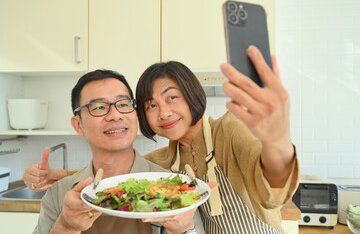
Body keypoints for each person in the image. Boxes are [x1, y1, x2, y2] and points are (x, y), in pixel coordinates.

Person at [25, 46, 299, 233]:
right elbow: (117, 179)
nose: (164, 112)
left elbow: (272, 187)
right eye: (150, 105)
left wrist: (278, 143)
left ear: (192, 95)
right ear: (78, 124)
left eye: (171, 97)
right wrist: (61, 179)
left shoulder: (230, 128)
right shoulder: (165, 164)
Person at [29, 69, 204, 234]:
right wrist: (66, 226)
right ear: (78, 125)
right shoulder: (60, 193)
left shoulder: (172, 186)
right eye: (98, 107)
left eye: (124, 104)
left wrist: (185, 229)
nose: (115, 115)